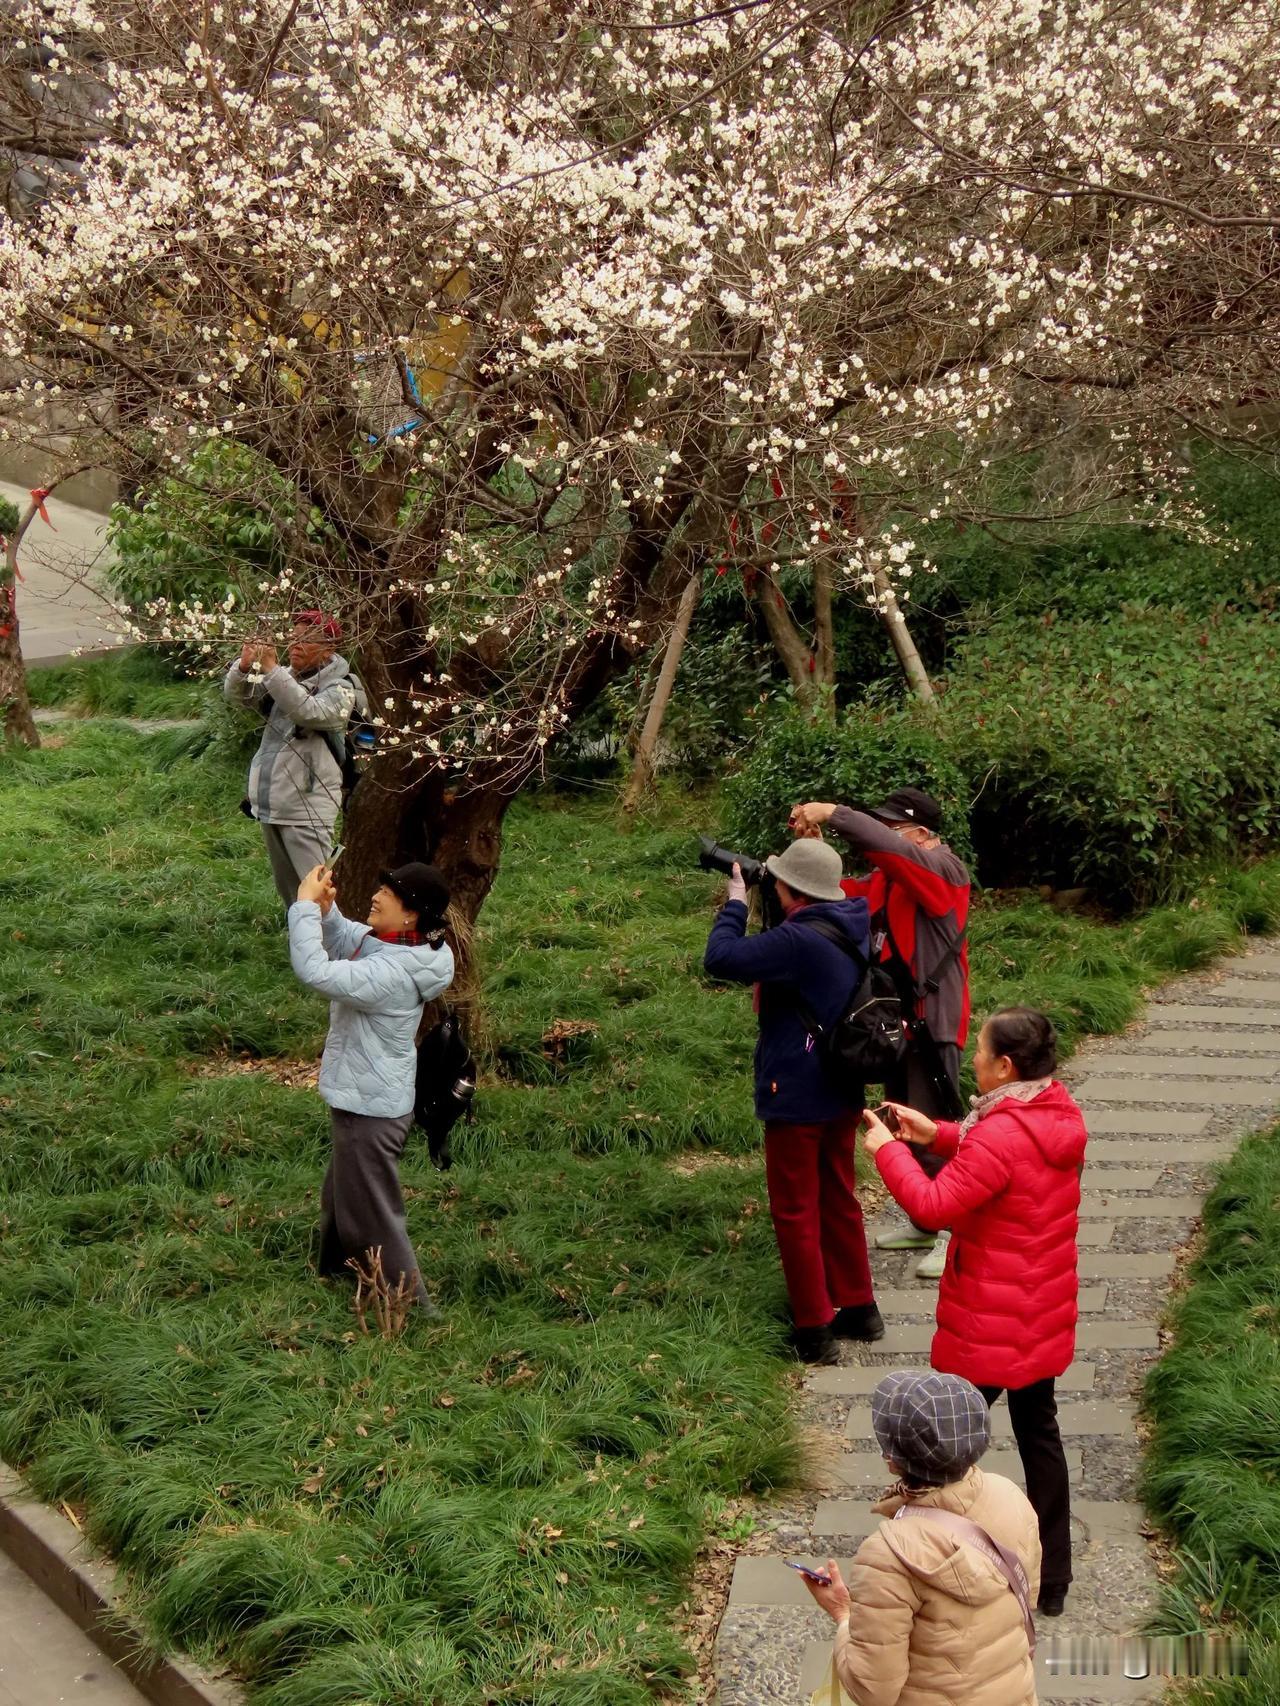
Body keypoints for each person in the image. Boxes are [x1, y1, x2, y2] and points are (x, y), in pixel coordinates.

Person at [861, 1007, 1085, 1616]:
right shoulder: (1055, 1111)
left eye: (981, 1053)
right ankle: (1054, 1579)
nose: (975, 1061)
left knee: (941, 1436)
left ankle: (920, 1557)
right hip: (1039, 1309)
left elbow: (933, 1206)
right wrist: (934, 1134)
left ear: (1005, 1066)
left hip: (988, 1317)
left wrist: (887, 1151)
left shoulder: (1000, 1132)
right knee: (1041, 1433)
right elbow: (1004, 1151)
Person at [703, 838, 883, 1365]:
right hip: (842, 1083)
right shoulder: (852, 922)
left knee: (796, 1209)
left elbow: (720, 958)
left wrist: (737, 902)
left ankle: (814, 1329)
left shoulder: (799, 940)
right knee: (839, 1197)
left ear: (792, 889)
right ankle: (859, 1307)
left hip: (797, 1091)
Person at [790, 788, 970, 1281]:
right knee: (901, 1120)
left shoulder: (944, 870)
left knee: (934, 1126)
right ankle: (925, 1221)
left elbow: (889, 851)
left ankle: (959, 1235)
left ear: (923, 836)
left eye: (895, 828)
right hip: (896, 1019)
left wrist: (835, 812)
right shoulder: (890, 878)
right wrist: (818, 846)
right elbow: (842, 894)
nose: (888, 837)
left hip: (933, 1022)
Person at [802, 1369, 1040, 1706]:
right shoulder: (1009, 1495)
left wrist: (844, 1616)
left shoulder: (889, 1555)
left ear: (892, 1461)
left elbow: (873, 1691)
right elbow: (1025, 1602)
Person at [290, 860, 455, 1312]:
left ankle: (412, 1307)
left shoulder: (392, 974)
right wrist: (326, 911)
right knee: (343, 1192)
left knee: (376, 1215)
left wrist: (304, 909)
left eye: (390, 892)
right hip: (367, 1097)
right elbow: (350, 938)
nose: (377, 895)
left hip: (372, 1110)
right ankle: (339, 1272)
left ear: (411, 915)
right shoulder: (400, 947)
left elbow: (317, 973)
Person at [225, 612, 361, 909]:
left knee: (318, 899)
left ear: (330, 648)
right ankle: (304, 953)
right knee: (294, 901)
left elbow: (310, 712)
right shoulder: (284, 677)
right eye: (294, 636)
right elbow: (239, 697)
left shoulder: (342, 687)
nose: (295, 644)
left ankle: (328, 954)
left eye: (307, 638)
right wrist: (244, 666)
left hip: (308, 807)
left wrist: (272, 669)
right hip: (274, 803)